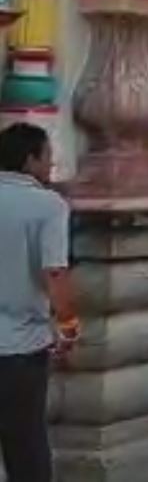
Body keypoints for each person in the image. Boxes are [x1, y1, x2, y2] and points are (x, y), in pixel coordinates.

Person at [0, 124, 78, 482]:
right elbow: (55, 273)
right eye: (47, 156)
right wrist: (68, 326)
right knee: (25, 444)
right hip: (20, 348)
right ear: (30, 159)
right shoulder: (48, 206)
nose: (51, 165)